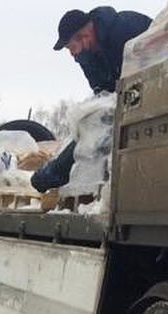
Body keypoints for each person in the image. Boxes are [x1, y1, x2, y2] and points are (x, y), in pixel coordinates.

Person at [31, 7, 152, 193]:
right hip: (127, 102)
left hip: (155, 90)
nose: (72, 54)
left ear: (85, 35)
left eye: (71, 47)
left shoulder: (124, 27)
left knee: (98, 123)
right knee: (93, 123)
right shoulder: (88, 59)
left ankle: (56, 173)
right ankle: (61, 175)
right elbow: (102, 97)